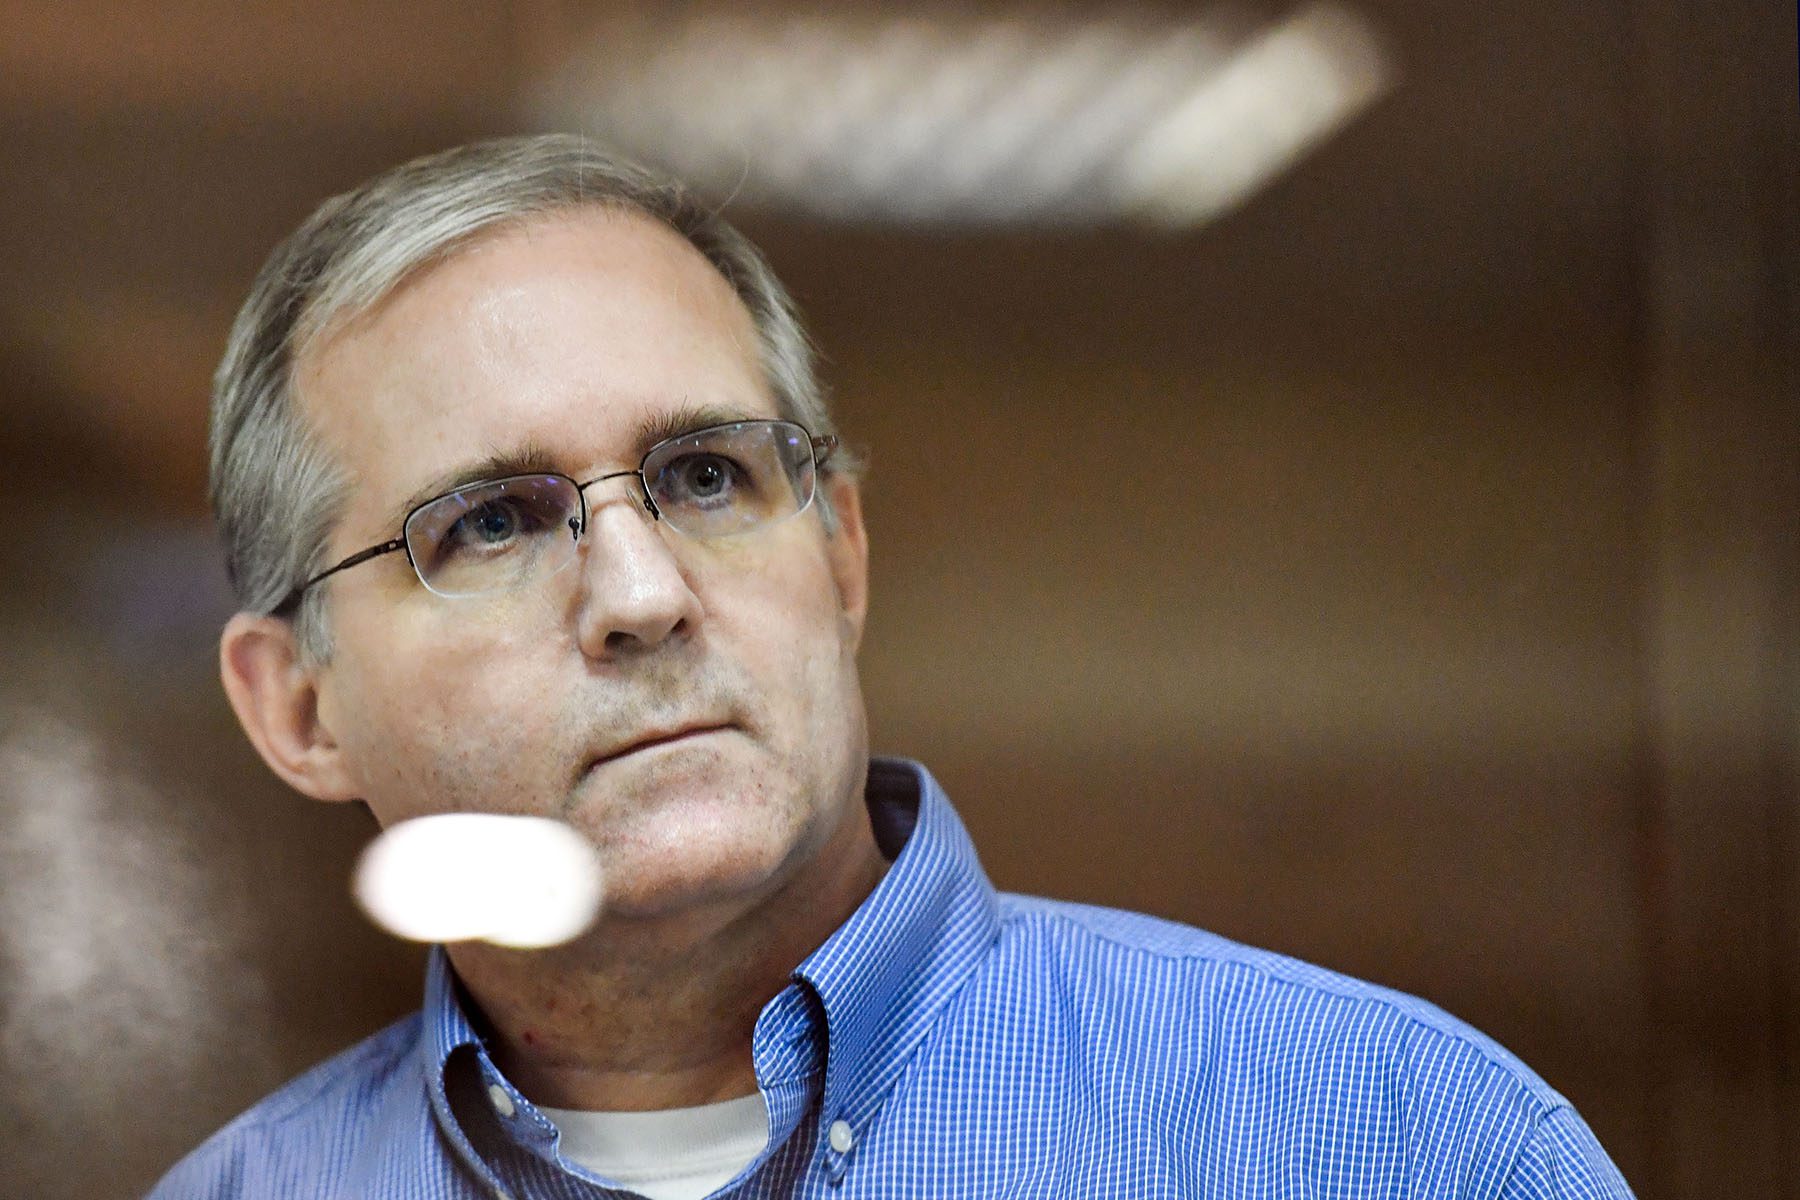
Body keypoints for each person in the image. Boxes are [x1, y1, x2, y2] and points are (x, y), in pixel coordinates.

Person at [150, 133, 1633, 1199]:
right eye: (486, 523)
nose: (643, 594)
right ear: (297, 708)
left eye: (710, 477)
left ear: (844, 556)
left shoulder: (1391, 1144)